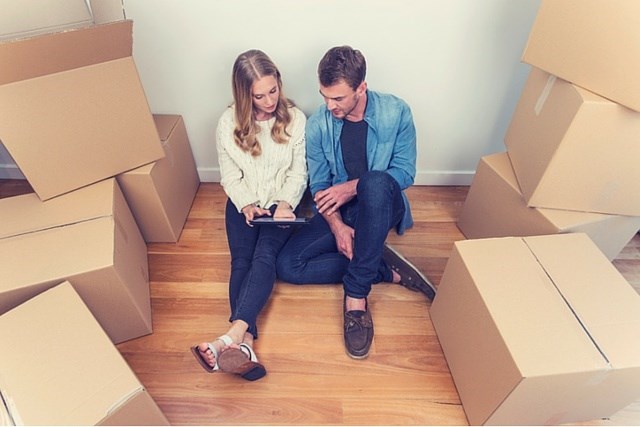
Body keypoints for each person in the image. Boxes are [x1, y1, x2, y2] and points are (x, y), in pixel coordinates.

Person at [276, 46, 435, 360]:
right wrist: (336, 227)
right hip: (339, 209)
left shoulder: (396, 111)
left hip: (384, 202)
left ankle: (356, 296)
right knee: (287, 266)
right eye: (324, 96)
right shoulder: (320, 123)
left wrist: (352, 187)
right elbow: (320, 184)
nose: (329, 105)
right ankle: (384, 270)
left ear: (361, 88)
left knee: (374, 181)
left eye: (338, 98)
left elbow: (404, 173)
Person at [191, 49, 307, 381]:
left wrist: (284, 203)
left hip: (280, 206)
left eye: (274, 90)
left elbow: (299, 174)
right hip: (243, 203)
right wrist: (245, 204)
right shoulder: (227, 123)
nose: (270, 100)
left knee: (264, 255)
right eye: (260, 95)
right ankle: (247, 346)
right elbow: (229, 176)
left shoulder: (296, 120)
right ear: (245, 95)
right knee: (241, 261)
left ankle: (229, 337)